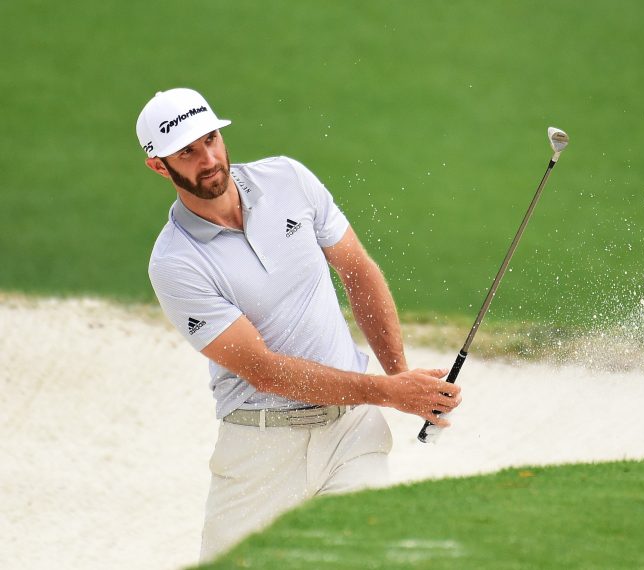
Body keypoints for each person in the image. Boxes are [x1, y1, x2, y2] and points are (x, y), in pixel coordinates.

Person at [136, 87, 461, 561]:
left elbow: (357, 270)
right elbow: (264, 371)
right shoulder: (176, 262)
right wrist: (388, 393)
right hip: (260, 449)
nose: (208, 159)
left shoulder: (288, 178)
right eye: (187, 151)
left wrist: (399, 376)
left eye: (211, 139)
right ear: (160, 166)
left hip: (351, 434)